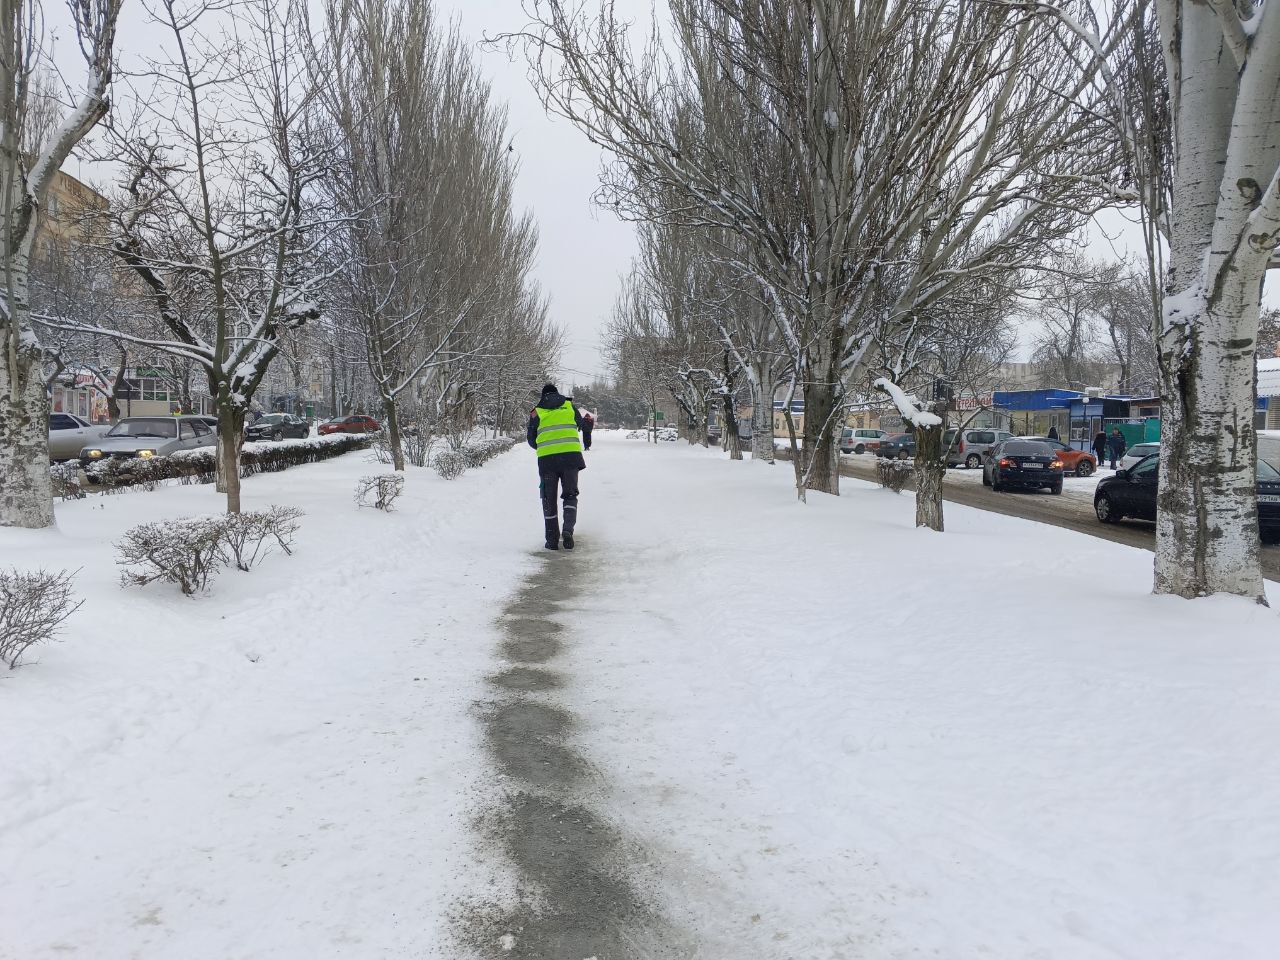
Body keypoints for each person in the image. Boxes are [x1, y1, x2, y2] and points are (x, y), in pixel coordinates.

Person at [527, 383, 593, 551]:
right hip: (571, 458)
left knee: (549, 499)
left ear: (542, 396)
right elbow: (581, 425)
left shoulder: (536, 412)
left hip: (547, 461)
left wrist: (544, 445)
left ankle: (552, 540)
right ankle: (568, 530)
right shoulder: (570, 406)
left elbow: (531, 440)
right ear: (558, 393)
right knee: (570, 495)